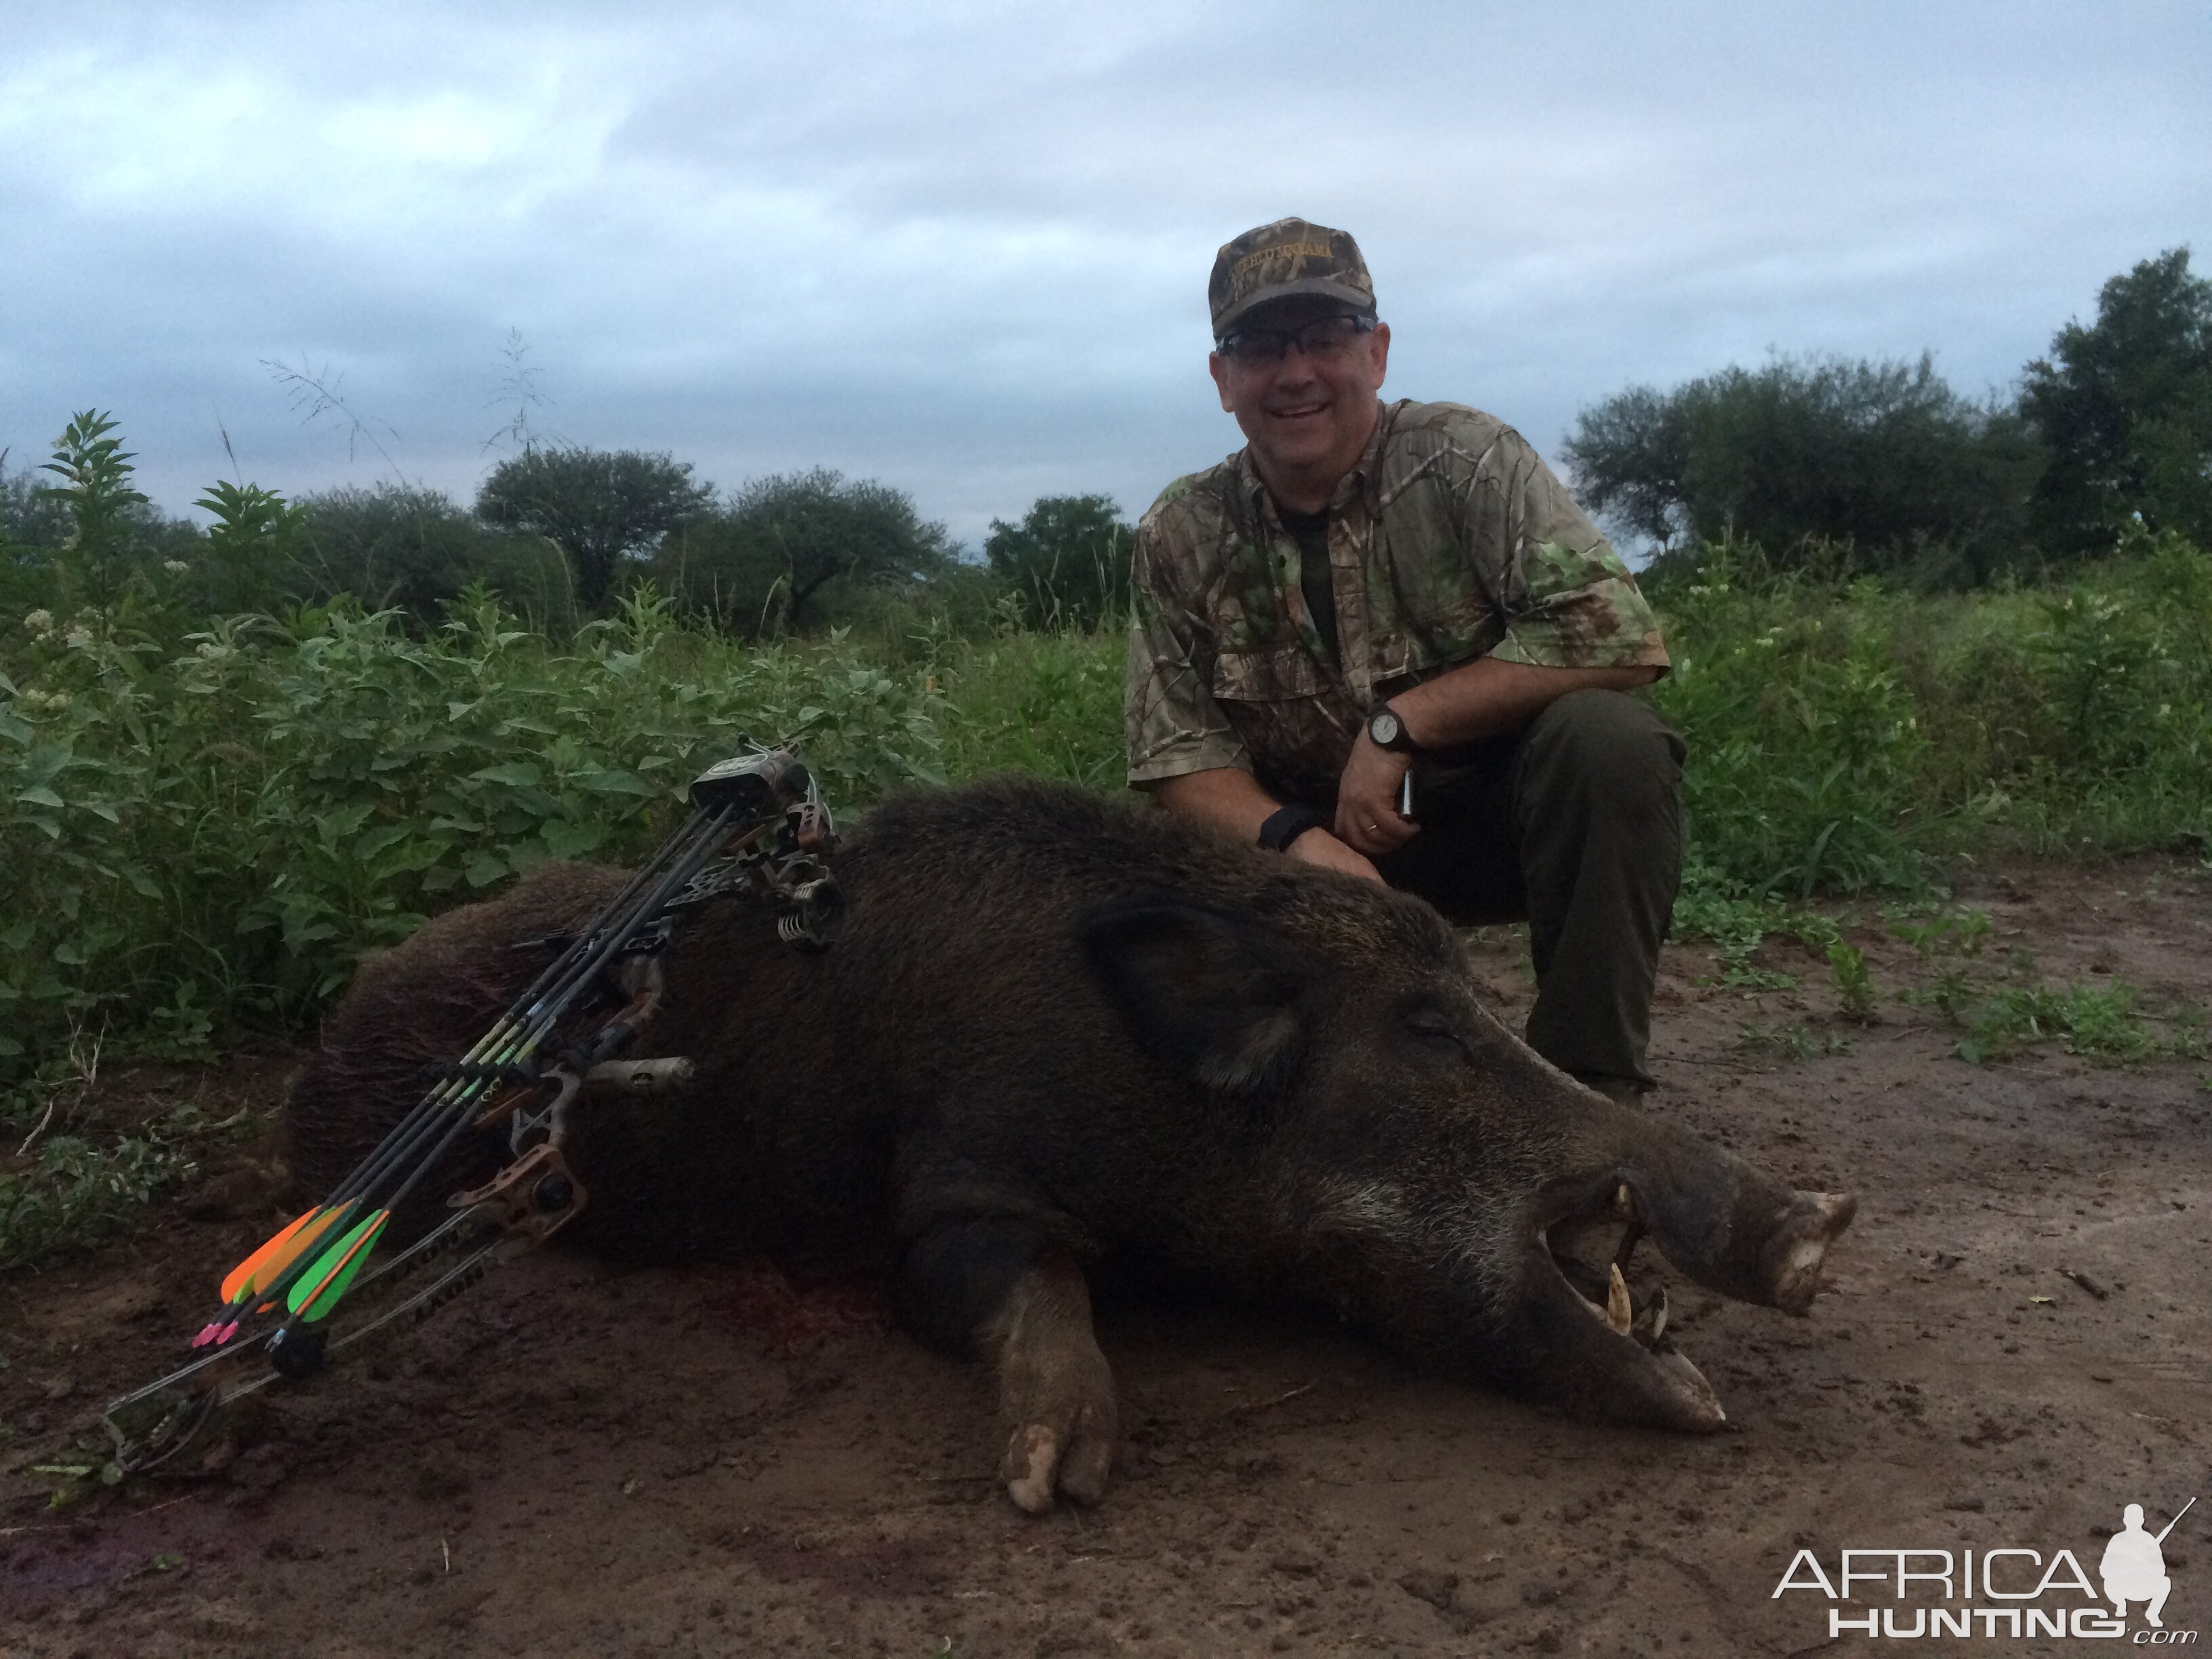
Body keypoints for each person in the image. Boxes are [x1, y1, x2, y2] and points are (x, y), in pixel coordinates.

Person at [1124, 217, 1683, 1104]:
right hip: (1298, 858)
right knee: (1145, 850)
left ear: (1376, 353)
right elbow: (1178, 755)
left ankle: (1591, 1092)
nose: (1296, 371)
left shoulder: (1469, 461)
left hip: (1484, 827)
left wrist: (1399, 728)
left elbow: (1619, 636)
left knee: (1609, 741)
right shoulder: (1179, 532)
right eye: (1261, 346)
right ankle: (1240, 1115)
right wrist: (1298, 843)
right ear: (1223, 379)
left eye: (1324, 338)